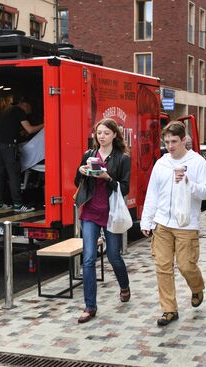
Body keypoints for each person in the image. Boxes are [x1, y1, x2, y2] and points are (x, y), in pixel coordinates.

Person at [140, 121, 206, 326]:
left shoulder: (197, 162)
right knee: (162, 266)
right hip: (162, 222)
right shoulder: (161, 163)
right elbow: (152, 193)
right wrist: (147, 220)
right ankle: (169, 310)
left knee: (186, 265)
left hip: (186, 224)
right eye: (167, 142)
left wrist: (188, 183)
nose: (170, 146)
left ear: (184, 140)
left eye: (174, 141)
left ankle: (197, 287)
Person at [74, 118, 131, 324]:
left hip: (111, 213)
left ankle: (124, 286)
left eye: (106, 133)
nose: (102, 136)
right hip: (90, 211)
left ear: (114, 135)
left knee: (114, 256)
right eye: (99, 133)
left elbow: (125, 188)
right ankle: (90, 306)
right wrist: (81, 172)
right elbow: (76, 182)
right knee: (88, 259)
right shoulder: (89, 155)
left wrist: (107, 177)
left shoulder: (122, 158)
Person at [0, 97, 43, 212]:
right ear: (25, 105)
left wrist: (20, 133)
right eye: (28, 112)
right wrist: (45, 124)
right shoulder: (19, 111)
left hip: (0, 145)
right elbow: (30, 129)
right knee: (14, 175)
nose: (27, 115)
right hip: (9, 146)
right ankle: (18, 205)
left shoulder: (7, 111)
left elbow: (11, 129)